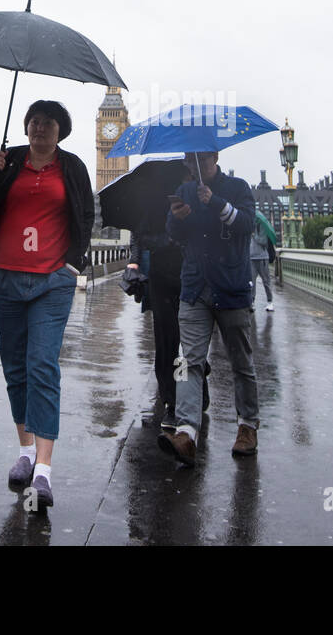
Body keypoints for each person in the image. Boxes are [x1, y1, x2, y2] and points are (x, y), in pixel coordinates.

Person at [0, 100, 94, 511]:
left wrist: (72, 264)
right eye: (34, 122)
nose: (40, 128)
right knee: (15, 367)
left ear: (62, 130)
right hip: (5, 275)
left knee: (43, 365)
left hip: (52, 280)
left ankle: (43, 470)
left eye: (48, 123)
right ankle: (24, 450)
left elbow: (85, 214)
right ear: (25, 128)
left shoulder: (72, 167)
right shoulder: (10, 160)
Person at [159, 151, 259, 466]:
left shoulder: (239, 188)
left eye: (200, 160)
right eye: (190, 161)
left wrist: (214, 202)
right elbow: (173, 235)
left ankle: (247, 425)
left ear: (214, 157)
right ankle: (187, 432)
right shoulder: (186, 191)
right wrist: (177, 218)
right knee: (189, 362)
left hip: (230, 287)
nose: (195, 166)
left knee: (240, 362)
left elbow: (246, 225)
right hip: (195, 287)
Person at [126, 164, 209, 432]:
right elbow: (140, 236)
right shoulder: (154, 198)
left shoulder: (200, 191)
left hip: (194, 275)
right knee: (167, 342)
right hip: (163, 276)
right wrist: (135, 263)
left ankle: (194, 388)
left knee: (191, 342)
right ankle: (173, 401)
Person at [249, 220, 275, 312]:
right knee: (251, 282)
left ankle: (270, 302)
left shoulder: (262, 227)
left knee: (266, 281)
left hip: (262, 258)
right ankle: (252, 302)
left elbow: (263, 241)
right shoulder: (248, 227)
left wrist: (254, 235)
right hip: (251, 258)